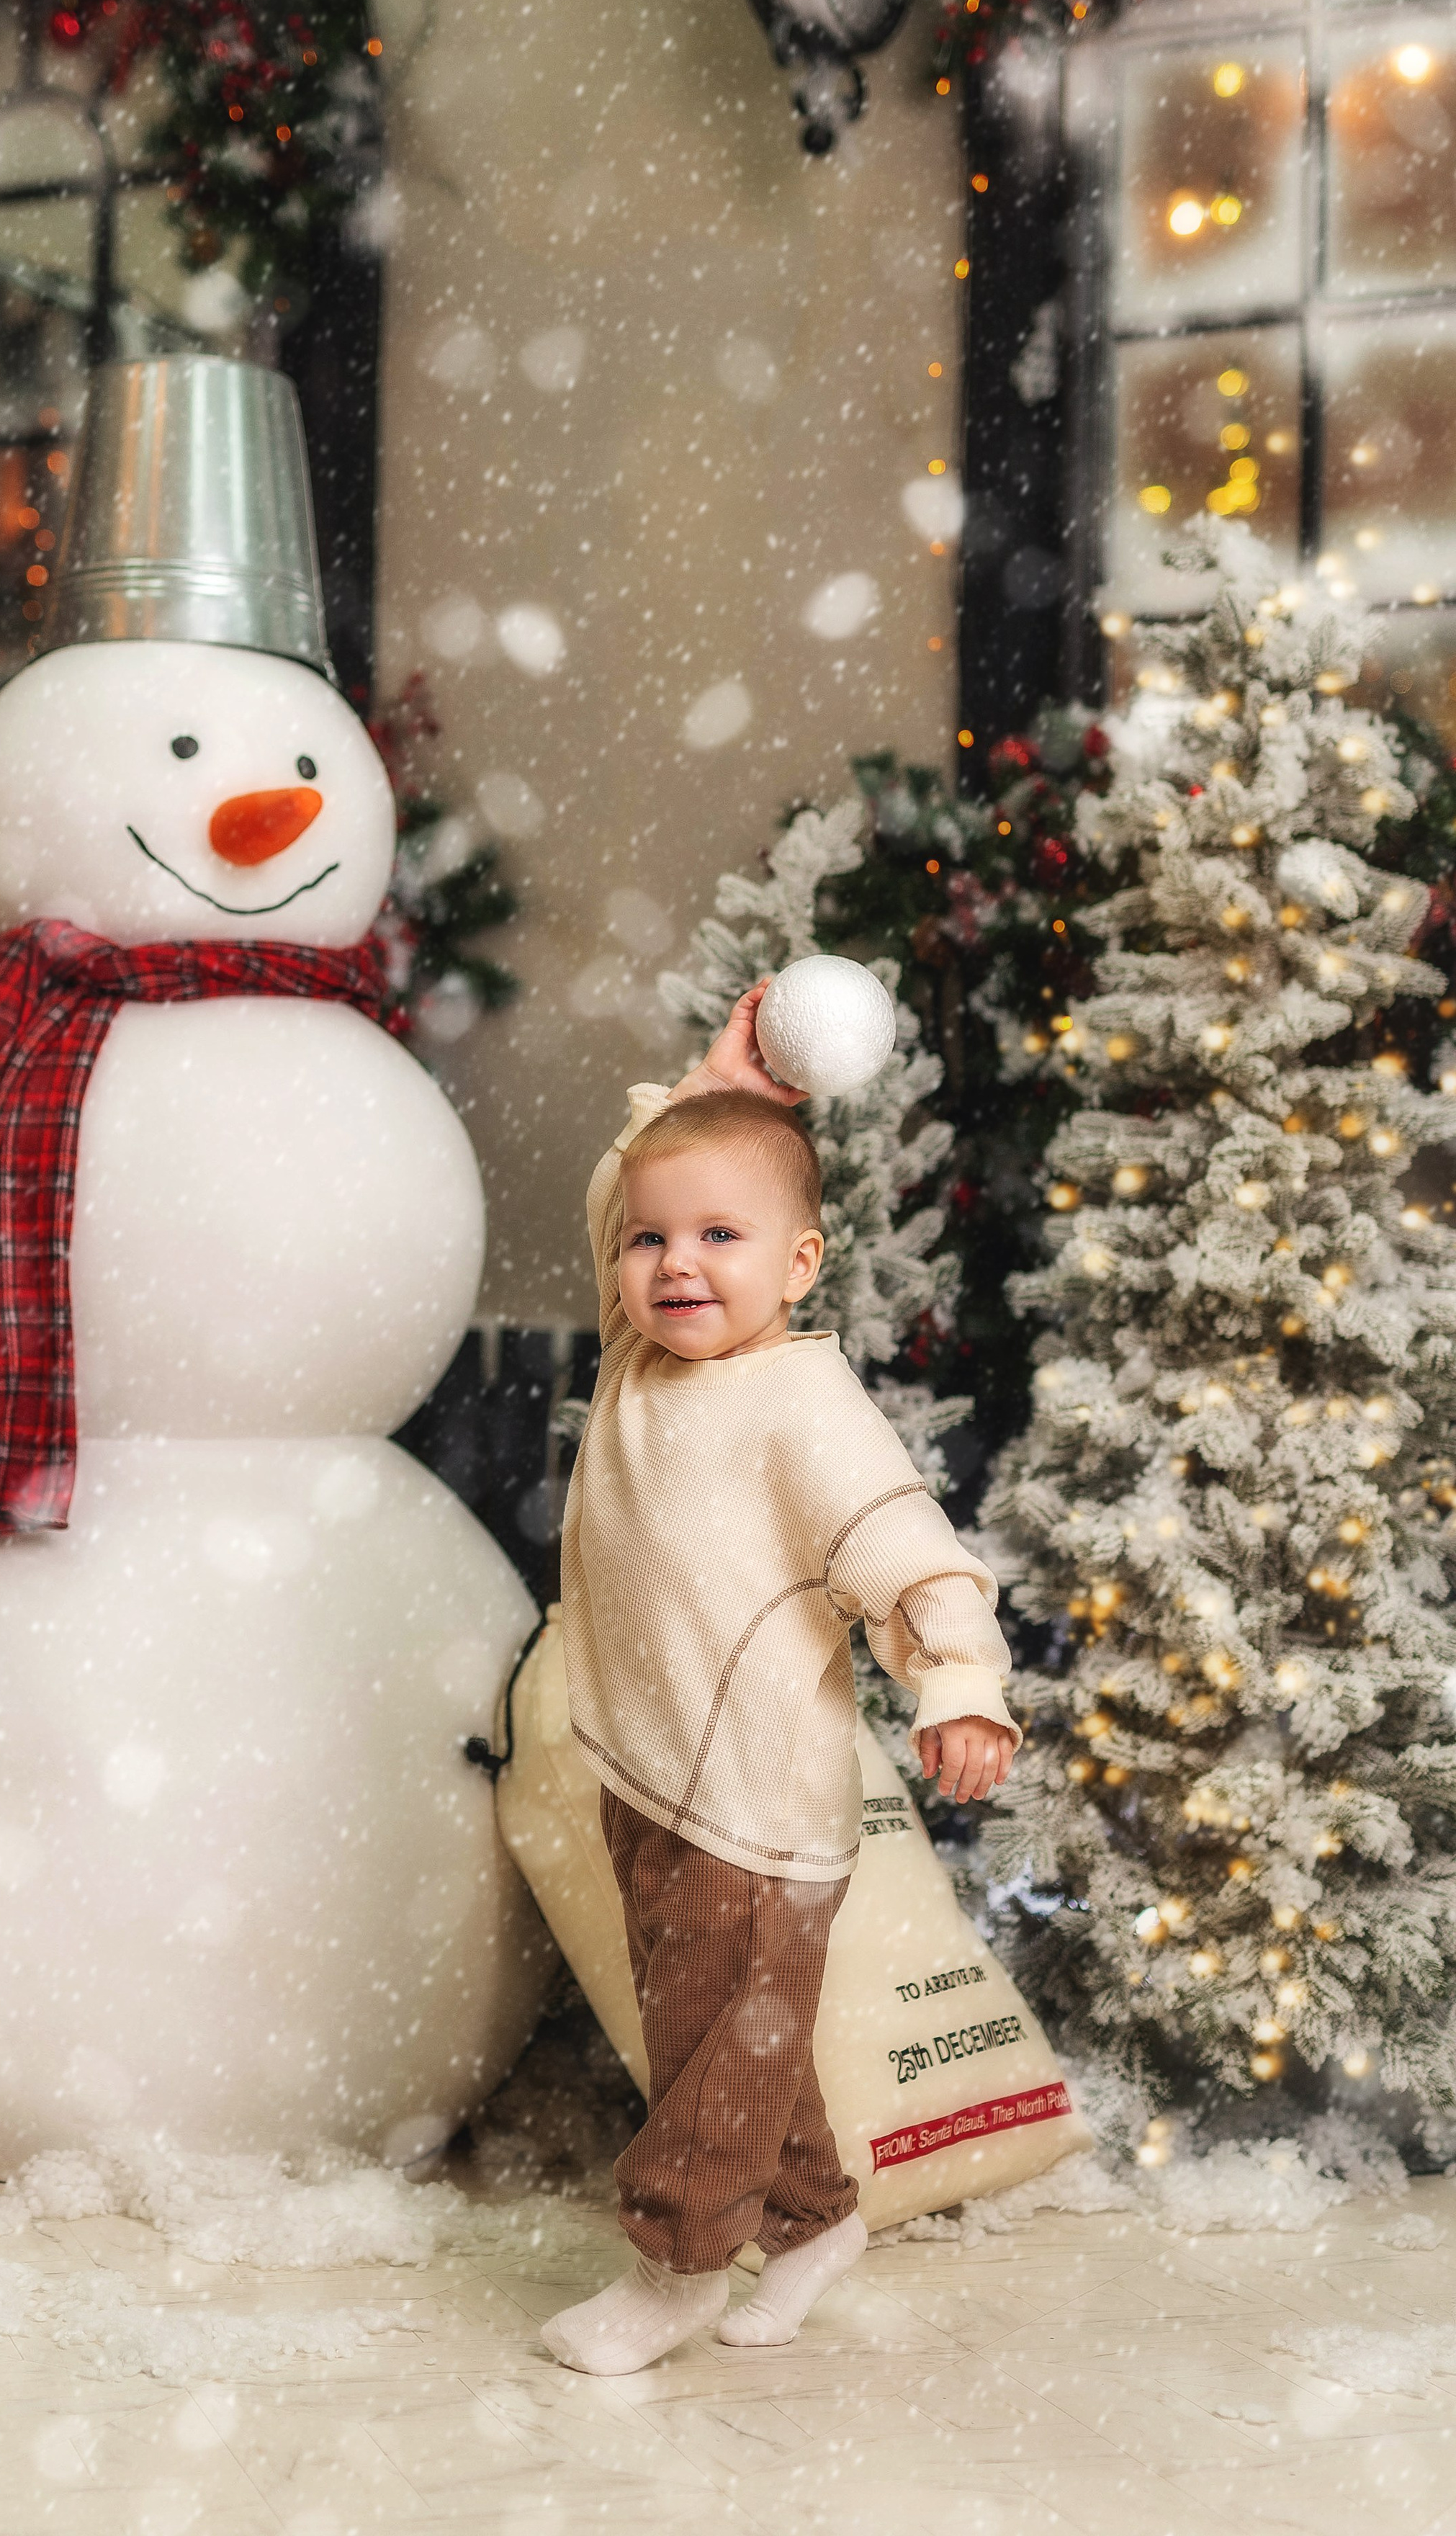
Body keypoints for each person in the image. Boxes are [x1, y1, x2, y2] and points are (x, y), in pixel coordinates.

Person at [540, 982, 1019, 2378]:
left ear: (799, 1263)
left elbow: (904, 1552)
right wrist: (703, 1090)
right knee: (719, 2037)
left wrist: (961, 1683)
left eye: (718, 1238)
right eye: (648, 1241)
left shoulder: (801, 1402)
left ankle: (675, 2266)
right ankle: (810, 2217)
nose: (674, 1265)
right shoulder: (644, 1354)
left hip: (752, 1802)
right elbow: (620, 1192)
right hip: (650, 1768)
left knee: (712, 2036)